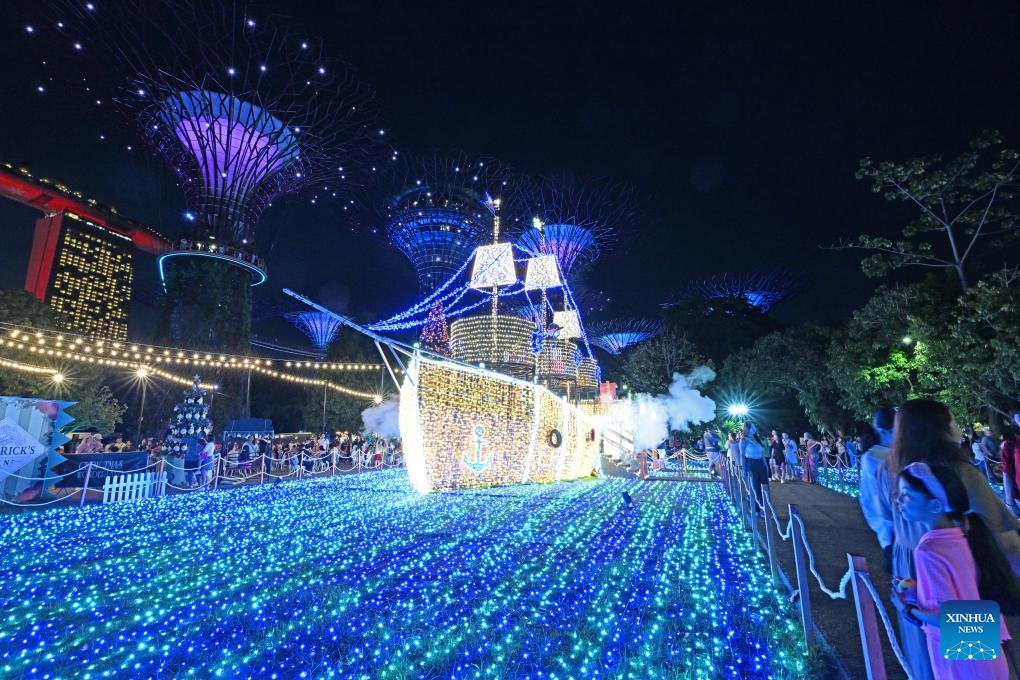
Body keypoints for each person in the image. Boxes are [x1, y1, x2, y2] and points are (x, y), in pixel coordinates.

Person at [879, 398, 1020, 680]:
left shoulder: (888, 470)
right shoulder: (959, 471)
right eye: (952, 421)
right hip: (959, 573)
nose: (957, 427)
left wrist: (909, 607)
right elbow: (992, 529)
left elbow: (885, 522)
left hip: (909, 576)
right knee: (974, 662)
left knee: (933, 662)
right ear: (936, 429)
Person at [891, 462, 1018, 679]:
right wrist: (920, 592)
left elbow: (949, 619)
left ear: (935, 506)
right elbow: (964, 597)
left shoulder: (929, 549)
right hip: (982, 651)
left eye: (906, 495)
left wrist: (907, 610)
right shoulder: (962, 537)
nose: (899, 501)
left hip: (961, 661)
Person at [860, 407, 896, 570]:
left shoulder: (902, 454)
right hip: (893, 535)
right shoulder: (874, 457)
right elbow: (875, 499)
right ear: (883, 431)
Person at [739, 422, 769, 514]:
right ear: (748, 428)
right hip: (751, 464)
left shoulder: (757, 438)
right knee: (755, 488)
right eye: (753, 426)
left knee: (765, 487)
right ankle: (755, 508)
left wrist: (766, 466)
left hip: (761, 464)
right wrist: (743, 469)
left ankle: (764, 509)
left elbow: (762, 453)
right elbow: (742, 455)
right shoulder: (744, 440)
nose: (755, 428)